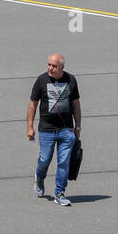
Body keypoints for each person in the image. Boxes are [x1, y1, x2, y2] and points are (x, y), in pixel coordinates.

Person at [26, 53, 81, 206]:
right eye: (48, 64)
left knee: (63, 162)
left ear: (62, 67)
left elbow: (76, 105)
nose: (50, 68)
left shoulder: (71, 80)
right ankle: (40, 176)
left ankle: (60, 193)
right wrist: (30, 127)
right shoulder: (41, 80)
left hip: (66, 130)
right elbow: (32, 105)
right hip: (47, 129)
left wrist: (78, 126)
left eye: (54, 66)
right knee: (45, 159)